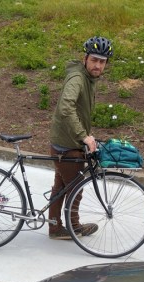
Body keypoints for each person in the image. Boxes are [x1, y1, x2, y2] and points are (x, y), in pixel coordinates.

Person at [47, 36, 113, 240]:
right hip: (66, 144)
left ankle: (55, 228)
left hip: (66, 140)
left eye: (102, 62)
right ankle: (73, 227)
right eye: (94, 60)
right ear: (85, 58)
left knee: (61, 187)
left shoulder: (87, 78)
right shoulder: (77, 79)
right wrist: (83, 136)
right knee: (76, 187)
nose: (97, 65)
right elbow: (66, 106)